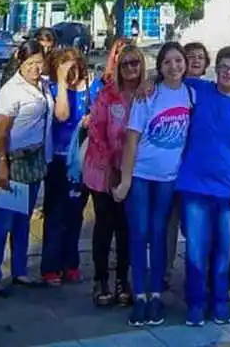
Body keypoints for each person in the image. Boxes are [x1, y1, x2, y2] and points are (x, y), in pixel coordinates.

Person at [176, 46, 230, 327]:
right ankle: (196, 303)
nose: (228, 73)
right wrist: (149, 82)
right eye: (223, 67)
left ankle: (220, 301)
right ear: (216, 70)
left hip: (227, 190)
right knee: (196, 249)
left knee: (224, 250)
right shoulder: (199, 90)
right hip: (194, 186)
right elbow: (169, 77)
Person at [113, 42, 194, 328]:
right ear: (160, 67)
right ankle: (139, 296)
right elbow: (132, 140)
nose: (174, 66)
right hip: (141, 176)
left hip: (168, 179)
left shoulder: (191, 92)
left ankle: (156, 294)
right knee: (139, 233)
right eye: (168, 62)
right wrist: (124, 180)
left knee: (159, 235)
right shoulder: (148, 95)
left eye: (178, 60)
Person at [0, 39, 54, 296]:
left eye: (38, 63)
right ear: (20, 63)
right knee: (4, 221)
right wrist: (3, 165)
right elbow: (2, 133)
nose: (35, 68)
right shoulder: (10, 91)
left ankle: (20, 270)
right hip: (12, 160)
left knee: (23, 220)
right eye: (29, 64)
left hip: (34, 159)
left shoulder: (43, 84)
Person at [85, 42, 145, 308]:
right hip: (103, 170)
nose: (131, 68)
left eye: (136, 63)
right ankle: (100, 280)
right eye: (126, 64)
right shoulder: (107, 95)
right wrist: (111, 171)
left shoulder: (147, 94)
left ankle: (123, 279)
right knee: (104, 226)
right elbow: (96, 133)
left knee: (126, 229)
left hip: (133, 172)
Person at [40, 48, 90, 285]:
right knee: (55, 214)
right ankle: (51, 265)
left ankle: (71, 263)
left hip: (81, 159)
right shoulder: (52, 90)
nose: (72, 73)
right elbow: (61, 115)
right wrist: (61, 81)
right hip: (58, 160)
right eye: (65, 68)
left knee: (75, 214)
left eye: (74, 67)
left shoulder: (92, 89)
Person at [164, 39, 213, 284]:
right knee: (169, 222)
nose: (195, 60)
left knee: (196, 225)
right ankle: (164, 271)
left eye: (200, 57)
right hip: (172, 165)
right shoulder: (170, 87)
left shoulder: (211, 90)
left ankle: (197, 274)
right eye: (190, 56)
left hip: (199, 167)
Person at [90, 37, 131, 103]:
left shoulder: (139, 84)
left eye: (123, 53)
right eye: (116, 52)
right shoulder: (105, 80)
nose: (117, 56)